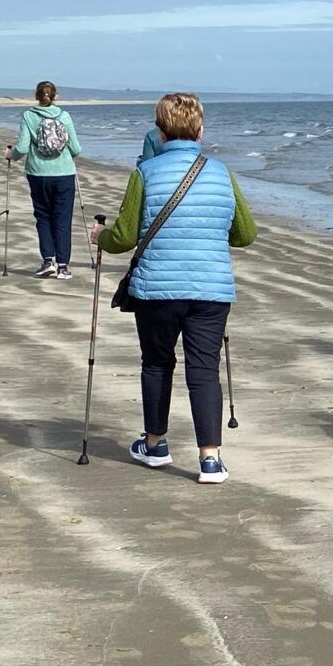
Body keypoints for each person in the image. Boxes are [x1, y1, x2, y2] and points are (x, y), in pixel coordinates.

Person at [93, 92, 255, 486]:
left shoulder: (144, 173)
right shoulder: (221, 172)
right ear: (200, 130)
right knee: (204, 371)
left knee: (157, 363)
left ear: (160, 132)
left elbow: (125, 235)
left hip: (158, 288)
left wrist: (100, 236)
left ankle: (156, 444)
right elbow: (246, 233)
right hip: (211, 289)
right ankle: (210, 459)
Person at [13, 79, 82, 280]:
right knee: (62, 218)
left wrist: (12, 155)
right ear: (55, 96)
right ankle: (63, 266)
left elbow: (22, 148)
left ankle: (47, 261)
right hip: (64, 173)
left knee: (43, 216)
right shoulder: (65, 116)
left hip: (38, 173)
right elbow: (77, 149)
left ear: (36, 96)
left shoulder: (28, 115)